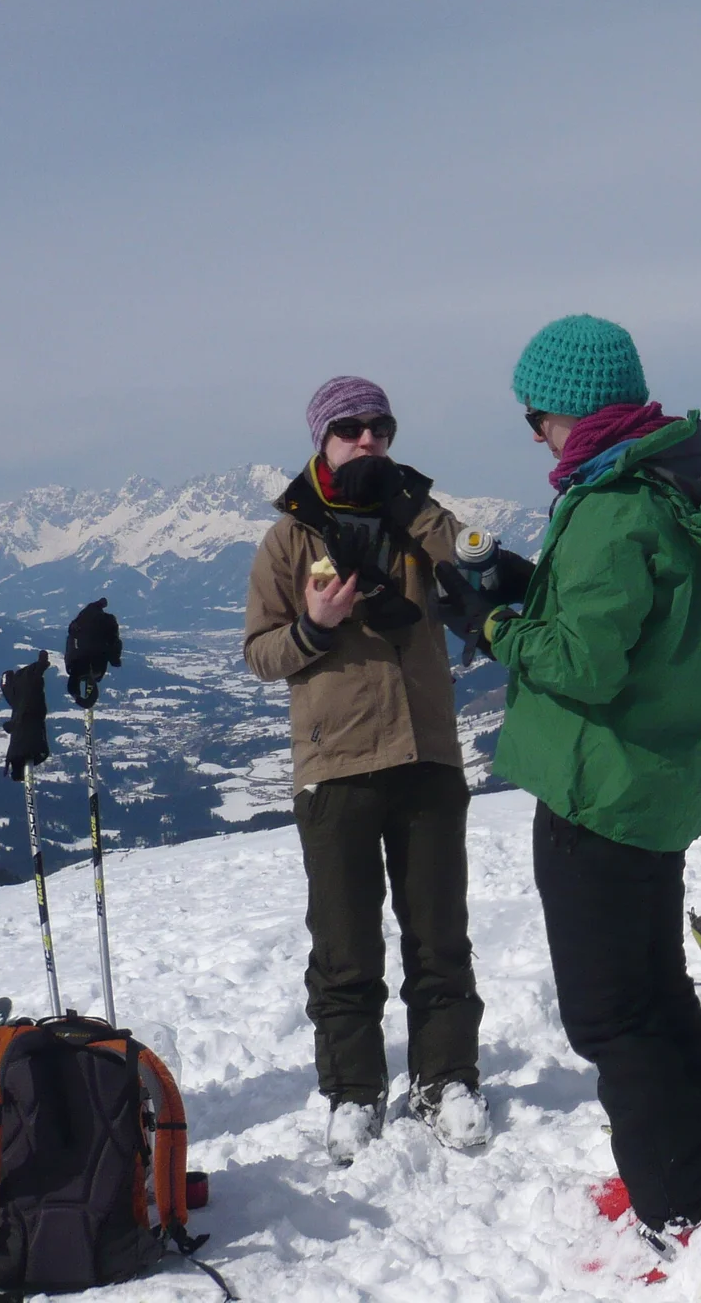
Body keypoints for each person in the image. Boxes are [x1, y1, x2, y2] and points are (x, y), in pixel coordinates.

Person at [455, 314, 701, 1258]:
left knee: (609, 1013)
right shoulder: (661, 484)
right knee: (655, 991)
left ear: (575, 410)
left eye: (536, 416)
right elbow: (628, 621)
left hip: (602, 791)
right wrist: (527, 584)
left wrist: (489, 626)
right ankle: (694, 1174)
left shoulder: (611, 506)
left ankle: (671, 1211)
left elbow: (584, 666)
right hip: (653, 785)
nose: (535, 433)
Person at [244, 375, 488, 1165]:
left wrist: (409, 509)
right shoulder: (289, 540)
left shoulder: (419, 516)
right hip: (336, 761)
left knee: (439, 933)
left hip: (425, 752)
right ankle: (353, 1092)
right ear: (321, 438)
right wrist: (314, 629)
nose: (367, 439)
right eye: (350, 428)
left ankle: (445, 1078)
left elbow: (475, 564)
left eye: (379, 426)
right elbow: (259, 654)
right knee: (344, 947)